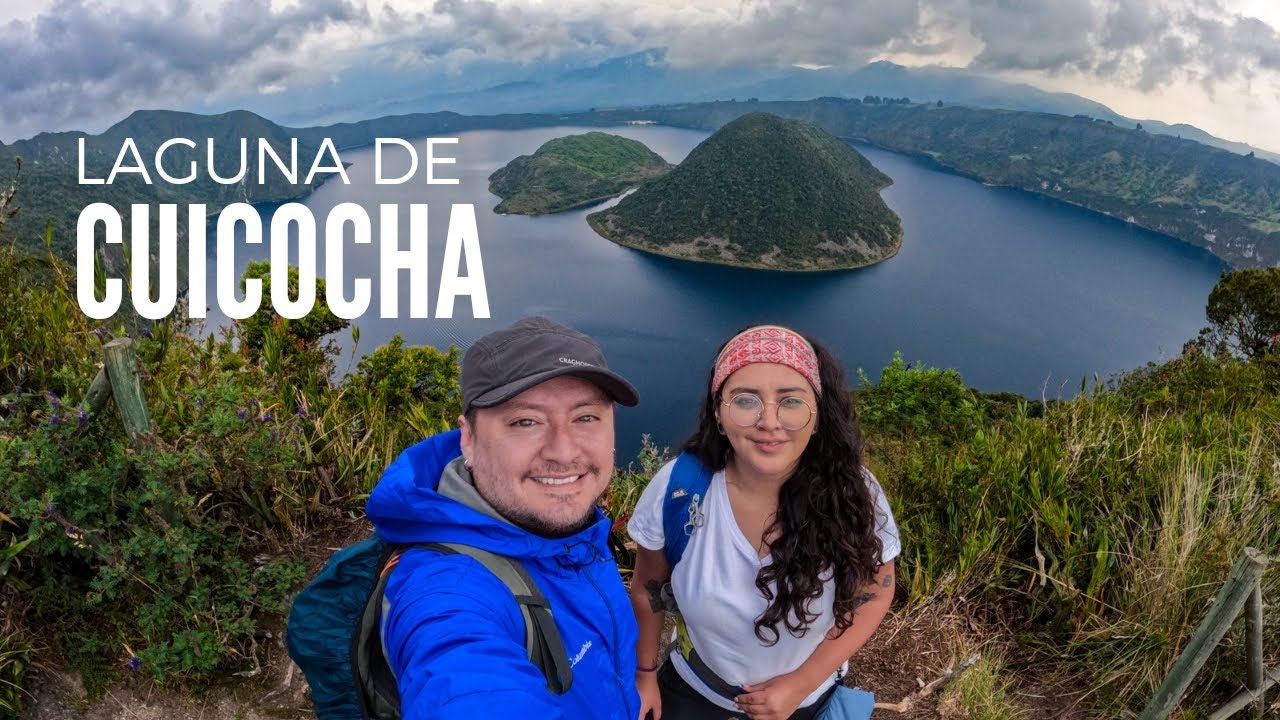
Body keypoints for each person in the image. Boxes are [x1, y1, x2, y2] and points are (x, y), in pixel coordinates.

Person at [365, 316, 644, 719]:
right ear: (469, 439)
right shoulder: (448, 592)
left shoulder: (570, 531)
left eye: (586, 417)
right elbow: (463, 682)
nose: (564, 453)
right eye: (525, 421)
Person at [627, 325, 901, 720]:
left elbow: (874, 591)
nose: (769, 421)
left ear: (818, 415)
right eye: (745, 400)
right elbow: (647, 589)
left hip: (808, 701)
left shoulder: (854, 493)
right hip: (694, 694)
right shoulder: (679, 490)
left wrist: (801, 683)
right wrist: (645, 674)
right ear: (719, 415)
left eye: (790, 401)